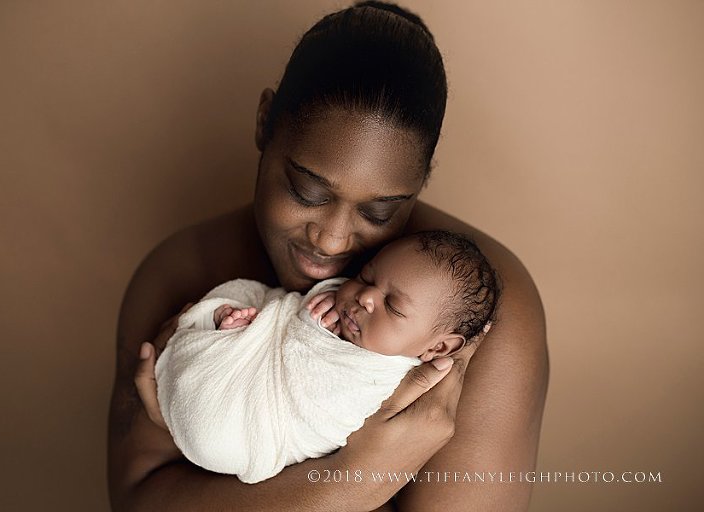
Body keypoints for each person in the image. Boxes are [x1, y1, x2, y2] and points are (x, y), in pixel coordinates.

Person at [108, 1, 548, 511]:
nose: (334, 241)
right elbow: (135, 501)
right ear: (263, 122)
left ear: (423, 179)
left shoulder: (472, 307)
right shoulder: (180, 272)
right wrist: (349, 484)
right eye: (307, 191)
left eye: (380, 212)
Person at [154, 231, 500, 484]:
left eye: (392, 306)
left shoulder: (388, 381)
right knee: (251, 298)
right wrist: (302, 315)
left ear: (438, 348)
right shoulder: (343, 304)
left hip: (247, 427)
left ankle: (224, 337)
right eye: (367, 277)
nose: (365, 297)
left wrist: (311, 331)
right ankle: (225, 330)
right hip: (245, 366)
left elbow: (323, 409)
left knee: (219, 433)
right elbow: (288, 307)